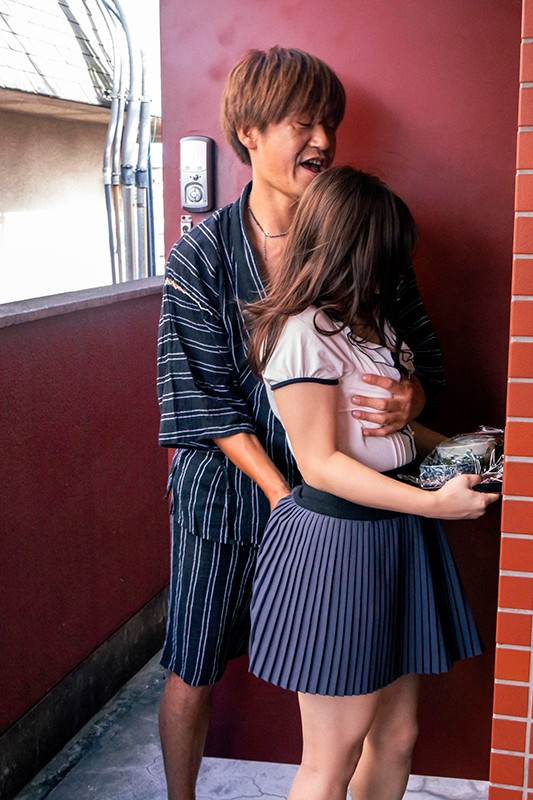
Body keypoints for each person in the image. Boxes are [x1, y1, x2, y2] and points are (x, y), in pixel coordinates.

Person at [156, 47, 446, 800]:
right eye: (303, 123)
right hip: (232, 494)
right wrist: (286, 496)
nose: (323, 139)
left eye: (330, 124)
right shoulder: (201, 255)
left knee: (344, 683)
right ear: (249, 133)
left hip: (342, 505)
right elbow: (202, 401)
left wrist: (410, 401)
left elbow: (417, 361)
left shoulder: (358, 239)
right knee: (193, 665)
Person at [246, 165, 500, 800]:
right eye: (385, 256)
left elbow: (395, 436)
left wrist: (476, 449)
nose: (394, 272)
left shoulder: (373, 325)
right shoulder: (301, 332)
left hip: (395, 535)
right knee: (333, 754)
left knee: (396, 735)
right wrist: (434, 504)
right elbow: (319, 464)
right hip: (339, 545)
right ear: (347, 251)